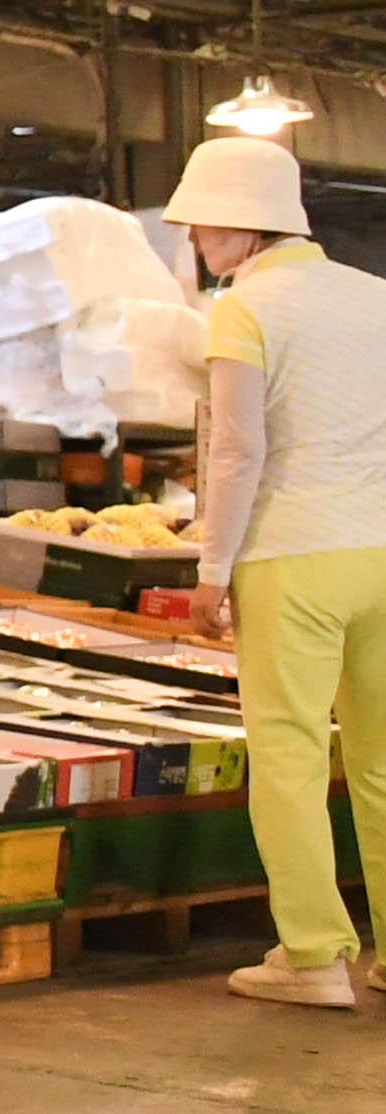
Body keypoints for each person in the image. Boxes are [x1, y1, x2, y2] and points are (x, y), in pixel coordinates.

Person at [168, 135, 386, 1007]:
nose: (194, 243)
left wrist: (211, 569)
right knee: (380, 761)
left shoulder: (244, 310)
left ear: (239, 225)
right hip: (380, 551)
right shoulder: (375, 298)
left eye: (199, 228)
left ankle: (314, 955)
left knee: (290, 757)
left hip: (291, 557)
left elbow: (236, 450)